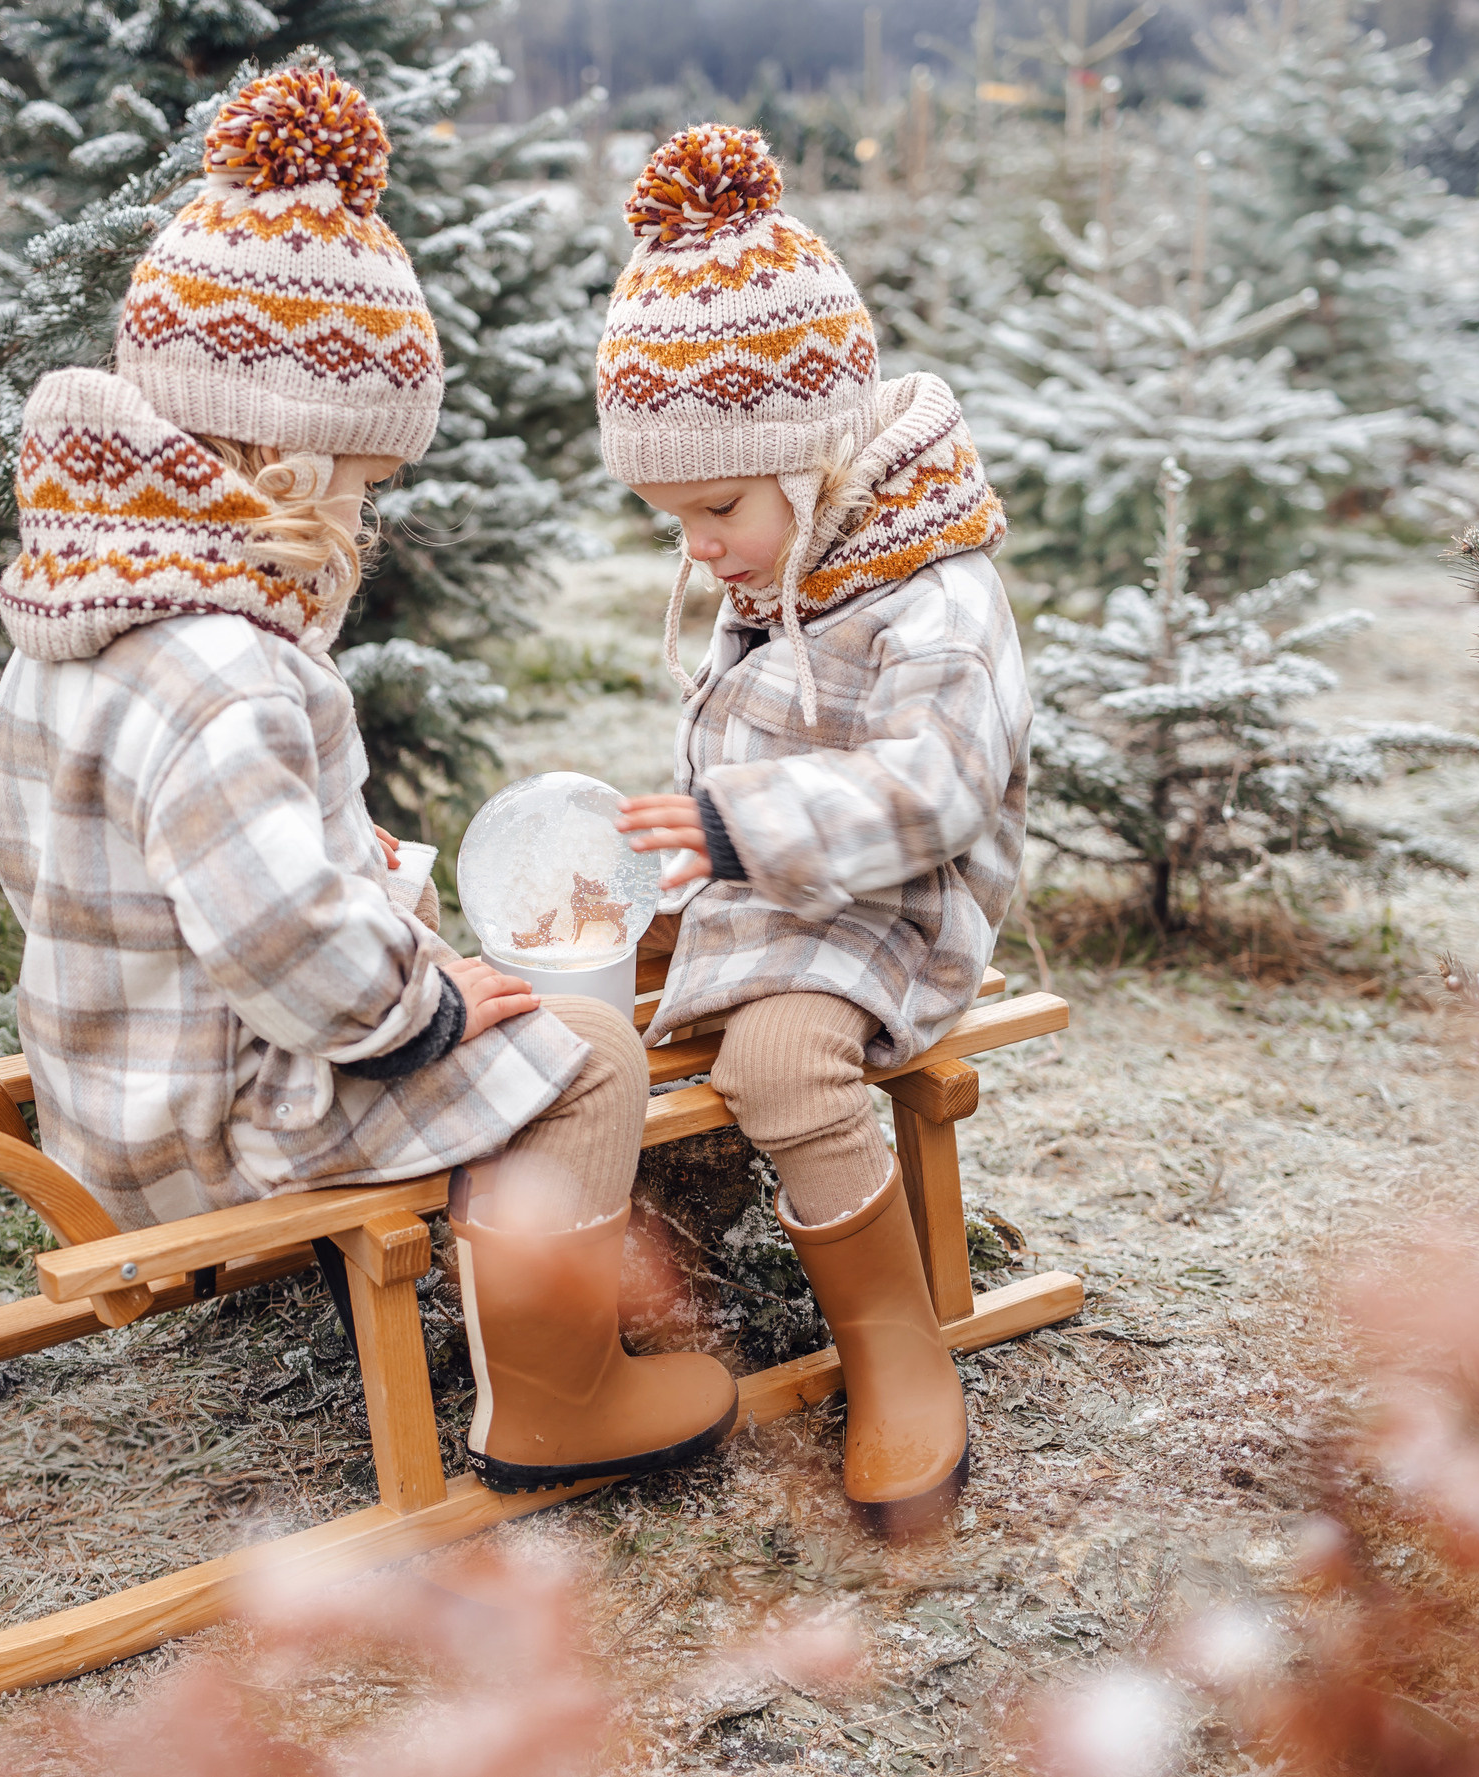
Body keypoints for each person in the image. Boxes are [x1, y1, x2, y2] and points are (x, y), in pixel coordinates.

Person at [0, 70, 735, 1494]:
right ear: (298, 455)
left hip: (112, 1081)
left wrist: (356, 879)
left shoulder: (80, 609)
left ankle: (452, 1281)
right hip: (229, 1121)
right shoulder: (230, 669)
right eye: (366, 486)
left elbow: (151, 858)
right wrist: (418, 1000)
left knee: (454, 994)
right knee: (586, 1066)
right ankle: (557, 1395)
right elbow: (283, 939)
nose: (364, 521)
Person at [604, 125, 1029, 1536]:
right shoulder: (794, 544)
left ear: (817, 454)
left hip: (900, 896)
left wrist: (739, 821)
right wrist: (689, 836)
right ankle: (668, 1240)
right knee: (616, 1001)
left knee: (784, 1055)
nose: (699, 549)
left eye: (715, 508)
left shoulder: (935, 595)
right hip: (775, 878)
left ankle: (895, 1353)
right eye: (673, 520)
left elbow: (937, 790)